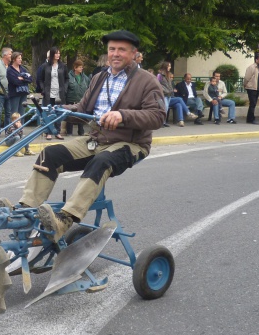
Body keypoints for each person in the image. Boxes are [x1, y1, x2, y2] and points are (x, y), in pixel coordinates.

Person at [11, 30, 165, 241]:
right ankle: (26, 212)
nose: (115, 54)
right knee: (50, 154)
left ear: (133, 52)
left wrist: (123, 115)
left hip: (130, 143)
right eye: (112, 49)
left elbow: (157, 116)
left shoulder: (147, 81)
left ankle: (63, 220)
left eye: (121, 49)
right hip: (96, 139)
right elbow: (82, 109)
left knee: (101, 161)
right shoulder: (99, 77)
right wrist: (58, 111)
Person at [65, 59, 90, 136]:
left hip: (81, 100)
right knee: (70, 116)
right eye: (79, 67)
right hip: (71, 99)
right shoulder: (68, 77)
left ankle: (81, 132)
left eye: (82, 67)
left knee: (81, 116)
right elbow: (66, 88)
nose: (81, 69)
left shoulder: (86, 78)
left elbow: (89, 88)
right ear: (75, 68)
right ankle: (69, 132)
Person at [6, 52, 33, 117]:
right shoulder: (10, 70)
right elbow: (15, 82)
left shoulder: (23, 69)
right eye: (18, 58)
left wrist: (23, 79)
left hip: (23, 93)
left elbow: (30, 79)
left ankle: (21, 126)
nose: (20, 60)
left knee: (22, 113)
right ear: (13, 59)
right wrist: (24, 80)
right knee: (14, 113)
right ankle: (13, 127)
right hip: (14, 94)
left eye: (21, 58)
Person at [243, 53, 259, 125]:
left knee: (253, 104)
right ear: (256, 59)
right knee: (253, 103)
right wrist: (245, 85)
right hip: (251, 88)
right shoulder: (251, 67)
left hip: (256, 88)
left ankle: (249, 118)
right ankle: (251, 119)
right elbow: (246, 78)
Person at [0, 47, 12, 128]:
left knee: (8, 113)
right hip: (0, 94)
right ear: (5, 55)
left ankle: (8, 131)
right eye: (10, 54)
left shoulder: (10, 66)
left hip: (9, 93)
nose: (11, 56)